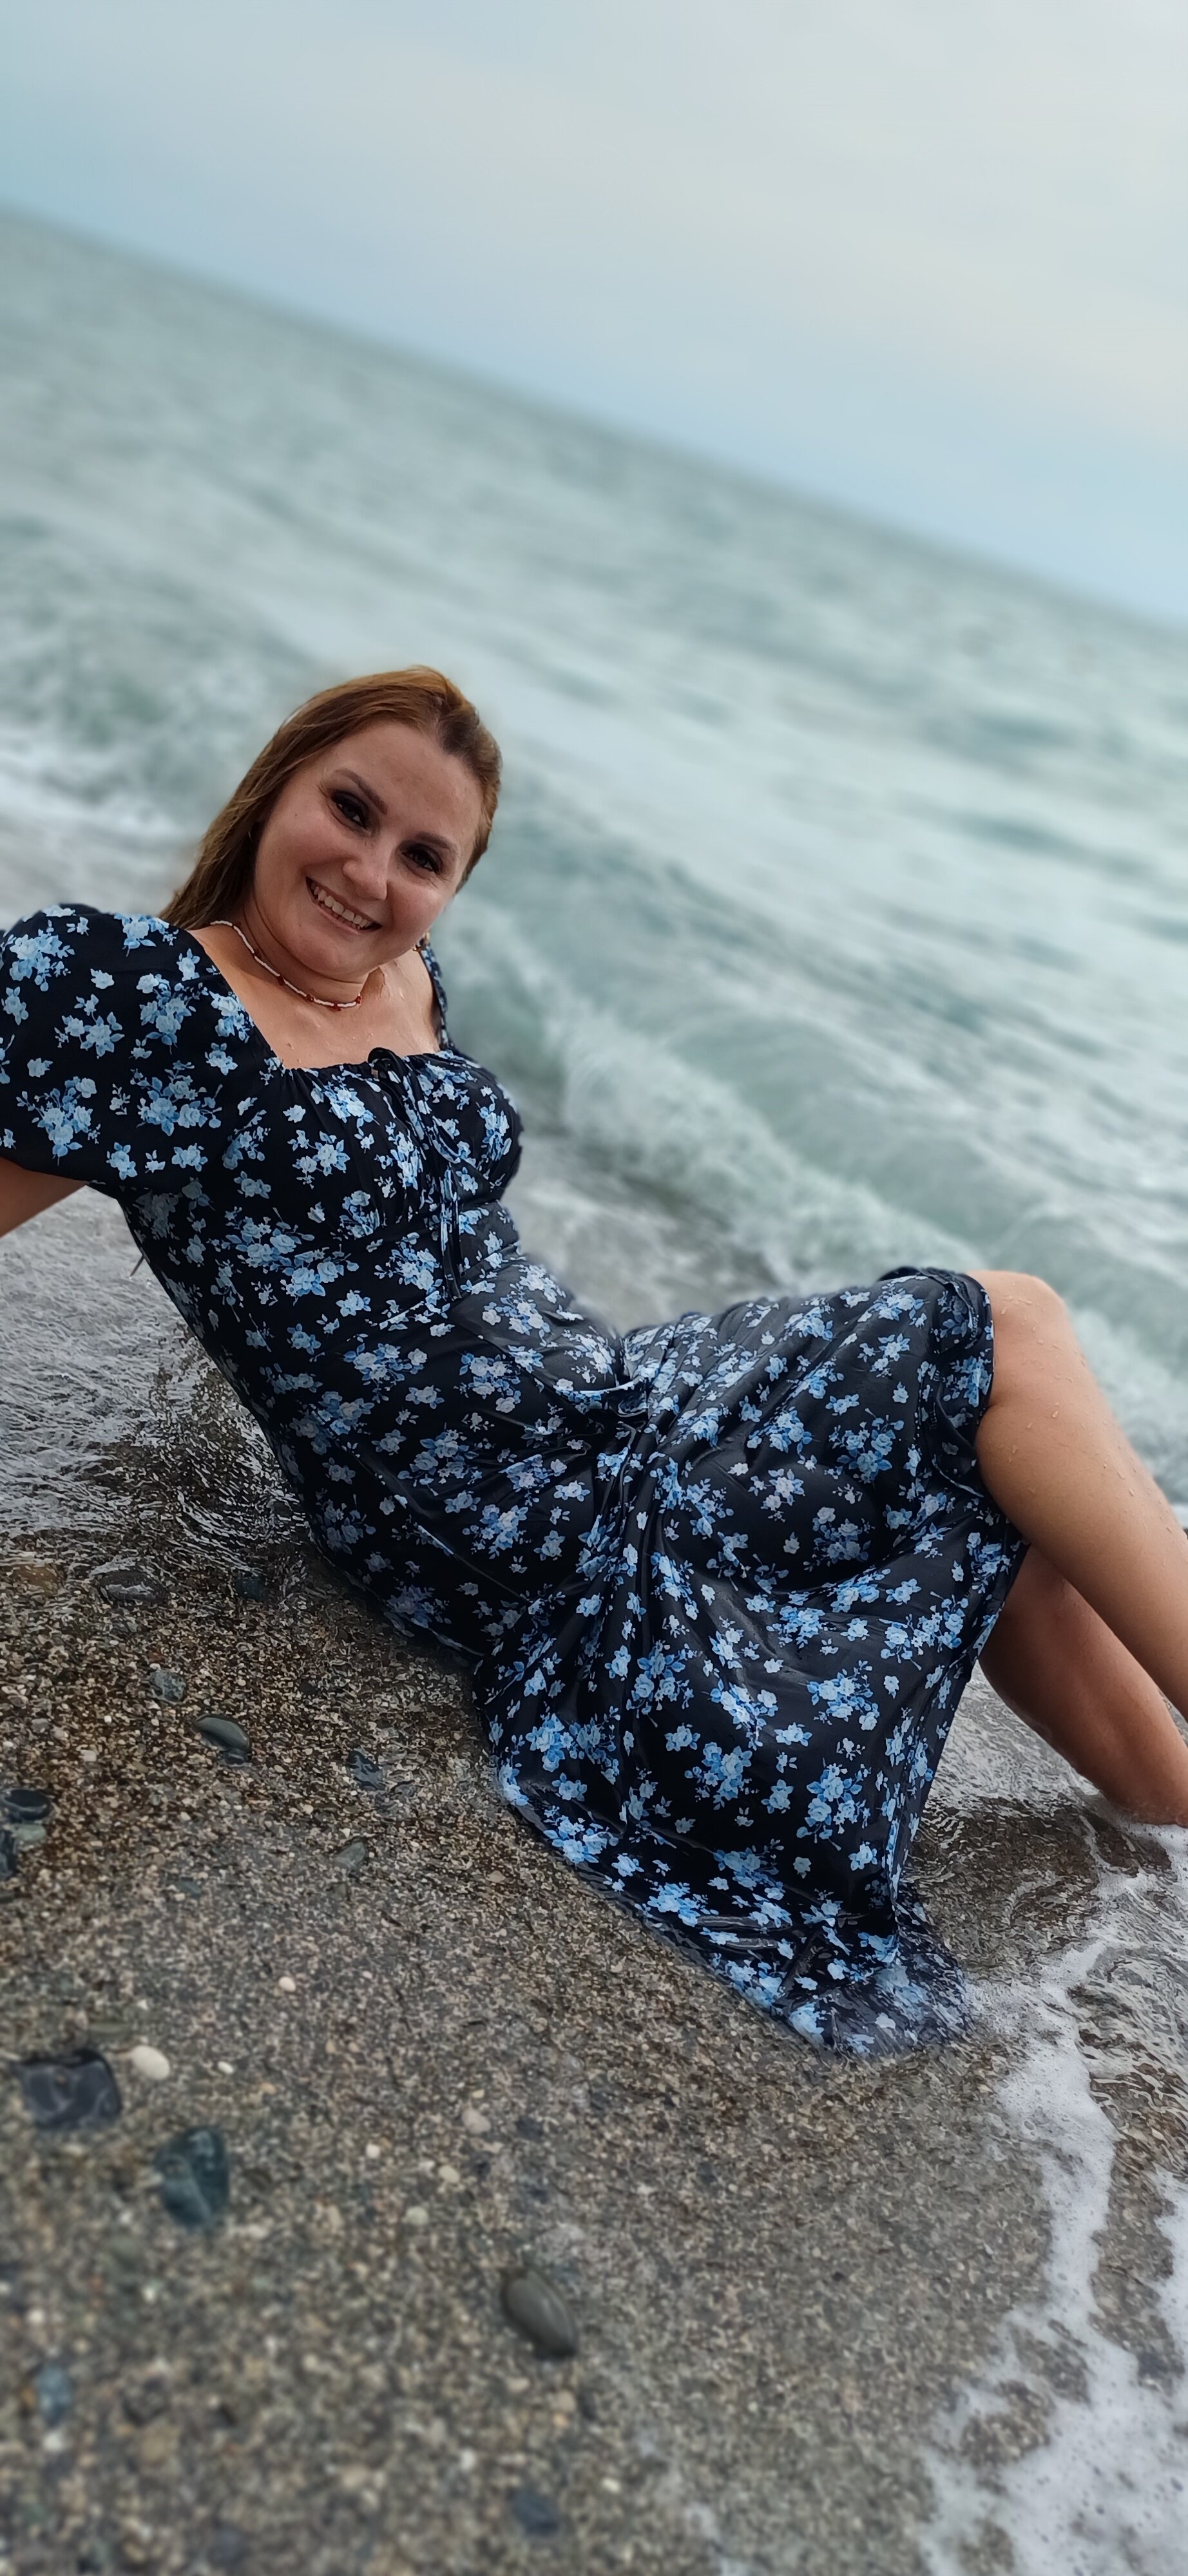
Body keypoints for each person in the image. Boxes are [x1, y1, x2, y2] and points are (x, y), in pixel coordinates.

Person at [3, 668, 1187, 2056]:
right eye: (352, 810)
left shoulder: (398, 977)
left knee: (1006, 1470)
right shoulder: (140, 1002)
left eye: (424, 857)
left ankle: (1168, 1795)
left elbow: (406, 1243)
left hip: (621, 1398)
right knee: (1003, 1328)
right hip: (531, 1517)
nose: (371, 874)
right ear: (279, 785)